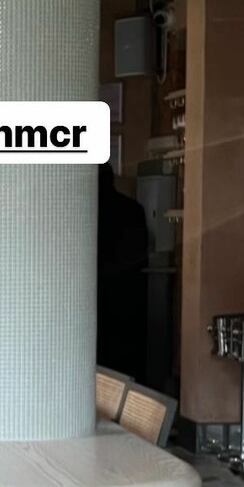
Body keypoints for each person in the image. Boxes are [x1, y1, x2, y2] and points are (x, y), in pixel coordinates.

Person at [96, 159, 149, 381]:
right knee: (126, 362)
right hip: (129, 295)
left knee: (100, 361)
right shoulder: (134, 210)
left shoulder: (85, 214)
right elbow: (142, 254)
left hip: (97, 294)